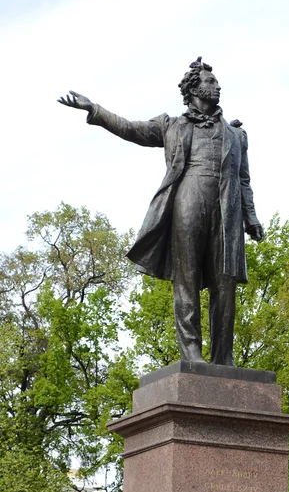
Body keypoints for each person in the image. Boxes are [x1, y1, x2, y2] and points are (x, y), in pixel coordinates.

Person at [58, 57, 263, 366]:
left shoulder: (236, 136)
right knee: (187, 280)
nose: (217, 86)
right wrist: (95, 110)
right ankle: (192, 356)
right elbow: (131, 129)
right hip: (187, 199)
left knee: (226, 284)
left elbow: (243, 180)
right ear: (194, 88)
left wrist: (252, 216)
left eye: (216, 82)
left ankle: (224, 359)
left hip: (227, 209)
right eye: (210, 82)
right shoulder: (172, 125)